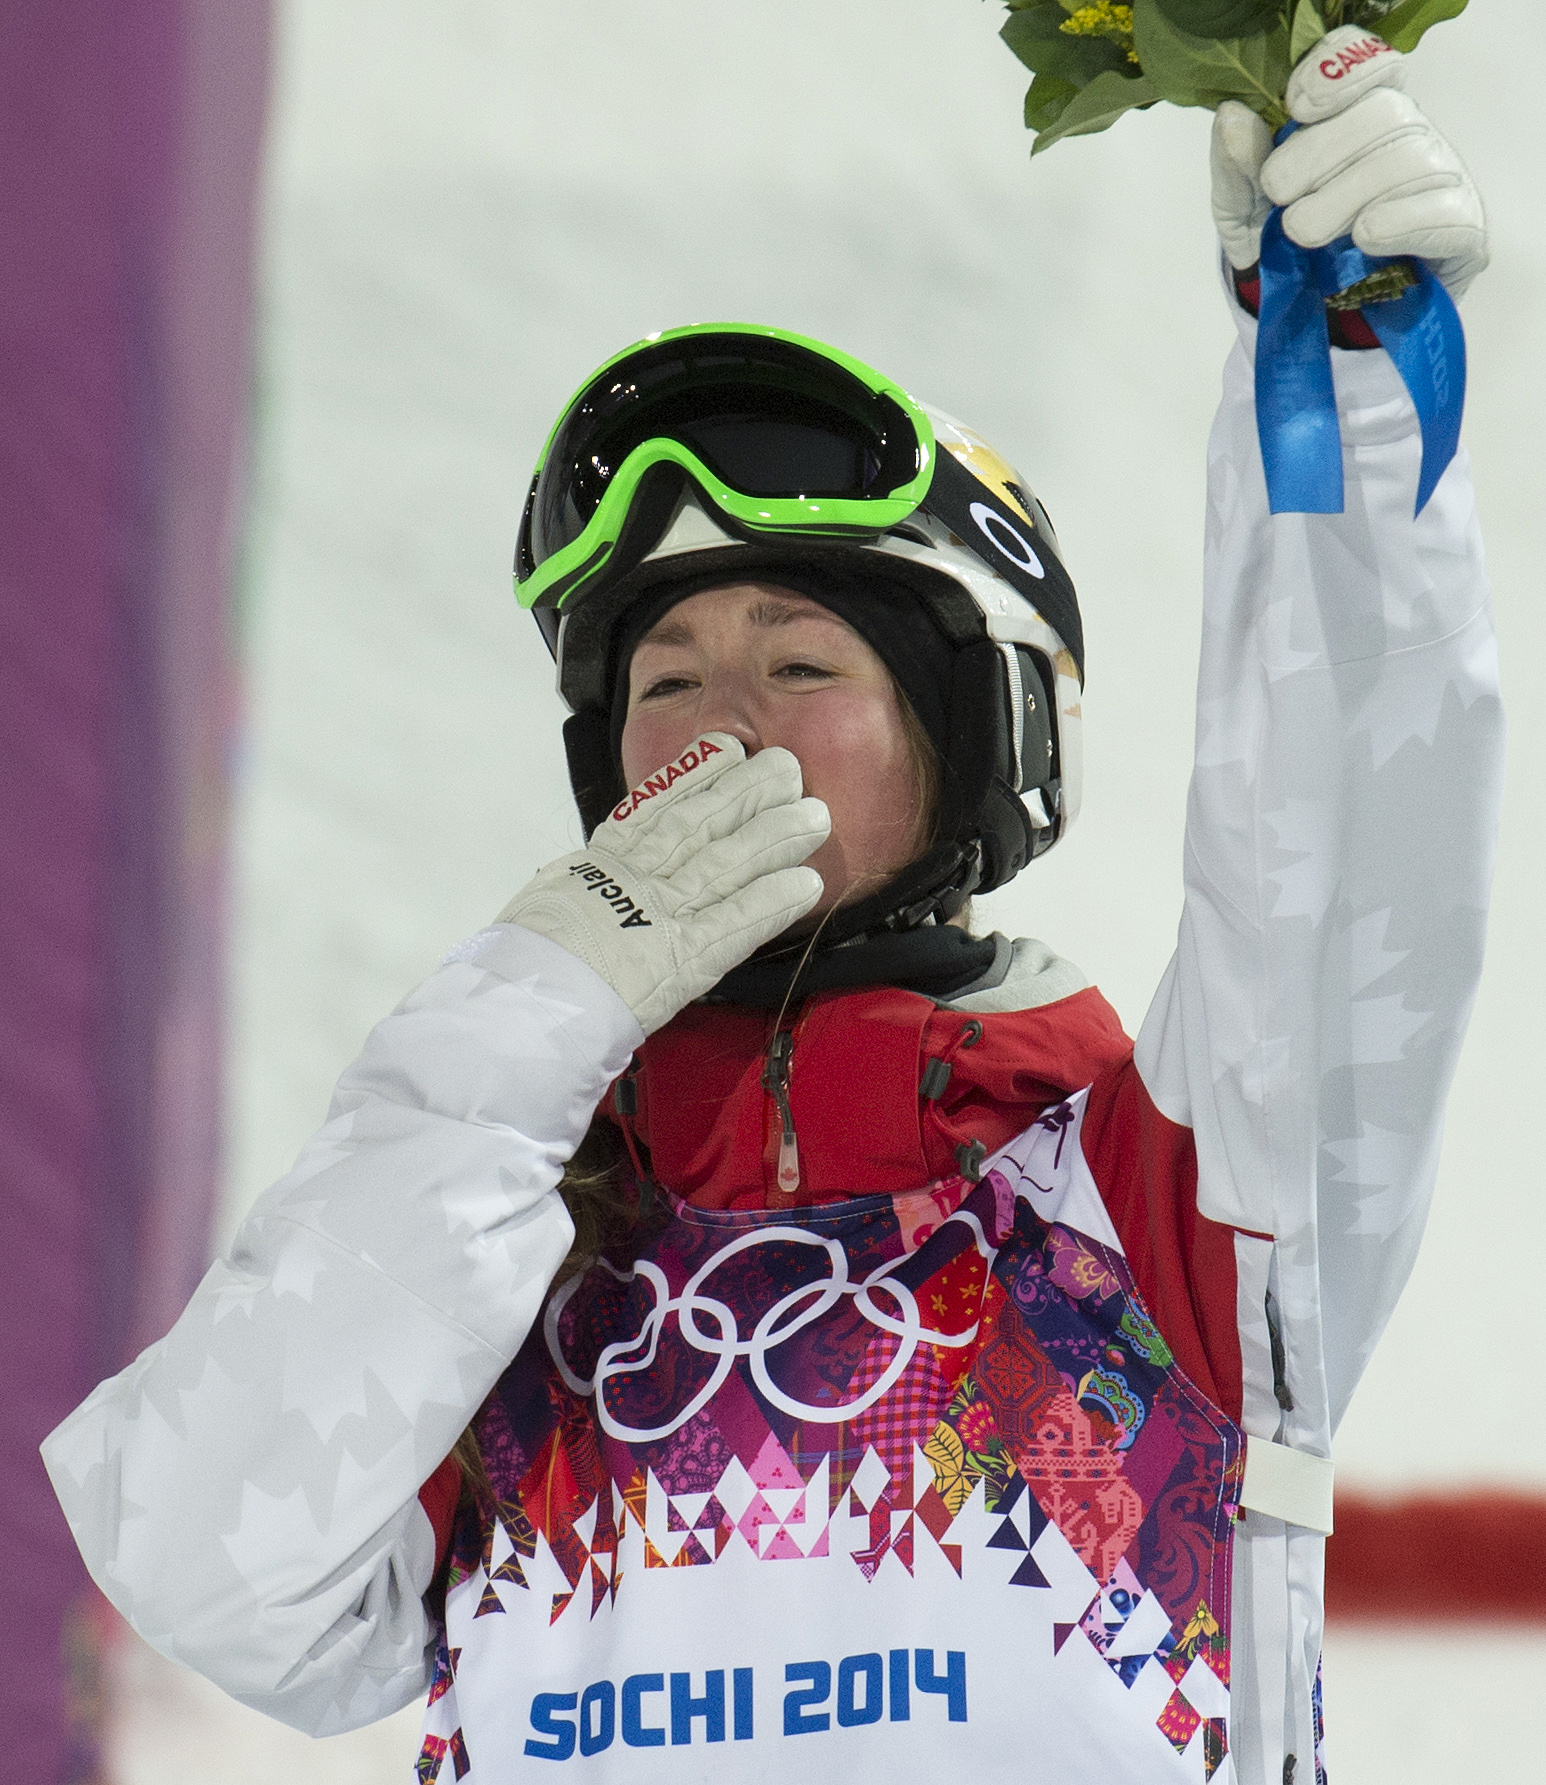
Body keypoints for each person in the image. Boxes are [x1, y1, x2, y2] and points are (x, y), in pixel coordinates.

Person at [43, 30, 1502, 1785]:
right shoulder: (501, 1252)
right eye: (663, 678)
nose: (722, 721)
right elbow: (208, 1558)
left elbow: (1335, 865)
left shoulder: (1154, 1200)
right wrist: (528, 1011)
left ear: (979, 749)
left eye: (801, 660)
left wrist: (1335, 378)